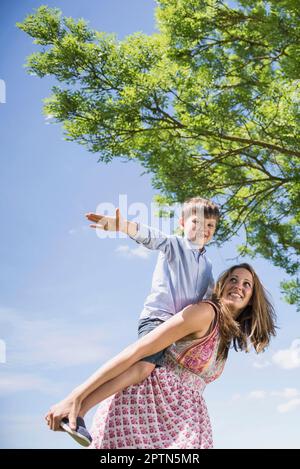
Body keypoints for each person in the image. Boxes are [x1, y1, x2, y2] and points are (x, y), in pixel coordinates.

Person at [45, 197, 219, 446]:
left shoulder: (208, 265)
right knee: (142, 368)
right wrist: (123, 226)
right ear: (182, 222)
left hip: (174, 333)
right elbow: (150, 236)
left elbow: (212, 296)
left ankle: (80, 411)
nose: (204, 229)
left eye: (211, 225)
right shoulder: (174, 245)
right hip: (157, 320)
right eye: (197, 222)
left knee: (140, 370)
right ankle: (78, 406)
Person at [48, 263, 277, 448]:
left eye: (247, 284)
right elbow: (138, 351)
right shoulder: (205, 313)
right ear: (222, 285)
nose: (238, 285)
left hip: (186, 419)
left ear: (251, 298)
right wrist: (75, 397)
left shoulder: (226, 334)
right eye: (233, 279)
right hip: (147, 411)